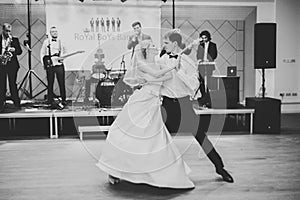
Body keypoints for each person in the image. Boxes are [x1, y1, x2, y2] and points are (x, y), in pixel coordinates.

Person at [96, 40, 194, 189]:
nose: (156, 47)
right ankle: (115, 170)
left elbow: (166, 77)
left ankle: (154, 172)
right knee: (128, 134)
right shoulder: (141, 63)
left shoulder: (158, 61)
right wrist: (167, 70)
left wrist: (161, 74)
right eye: (152, 46)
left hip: (153, 102)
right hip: (142, 100)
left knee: (153, 139)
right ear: (146, 49)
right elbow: (156, 74)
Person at [159, 30, 234, 183]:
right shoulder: (161, 60)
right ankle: (149, 173)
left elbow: (194, 85)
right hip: (166, 105)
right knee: (158, 140)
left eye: (166, 42)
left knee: (201, 136)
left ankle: (220, 168)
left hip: (184, 105)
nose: (163, 45)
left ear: (174, 44)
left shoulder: (188, 62)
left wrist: (179, 71)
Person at [186, 30, 218, 107]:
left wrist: (209, 59)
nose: (203, 39)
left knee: (209, 81)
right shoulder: (201, 45)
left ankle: (208, 97)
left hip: (209, 64)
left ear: (208, 37)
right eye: (202, 38)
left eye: (205, 37)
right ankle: (203, 96)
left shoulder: (213, 45)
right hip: (202, 65)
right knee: (201, 80)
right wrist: (200, 59)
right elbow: (198, 55)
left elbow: (214, 54)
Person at [40, 26, 67, 105]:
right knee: (50, 82)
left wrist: (62, 58)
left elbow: (65, 51)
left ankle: (63, 99)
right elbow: (42, 53)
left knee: (61, 82)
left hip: (59, 64)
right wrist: (44, 64)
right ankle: (50, 100)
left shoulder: (61, 41)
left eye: (56, 31)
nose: (55, 33)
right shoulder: (46, 42)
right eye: (53, 32)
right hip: (50, 64)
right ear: (50, 33)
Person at [0, 23, 22, 112]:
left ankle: (16, 102)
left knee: (13, 84)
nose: (8, 33)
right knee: (2, 84)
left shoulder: (14, 39)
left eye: (9, 31)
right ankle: (1, 102)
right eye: (7, 31)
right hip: (2, 64)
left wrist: (14, 50)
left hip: (12, 64)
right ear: (3, 30)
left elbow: (20, 51)